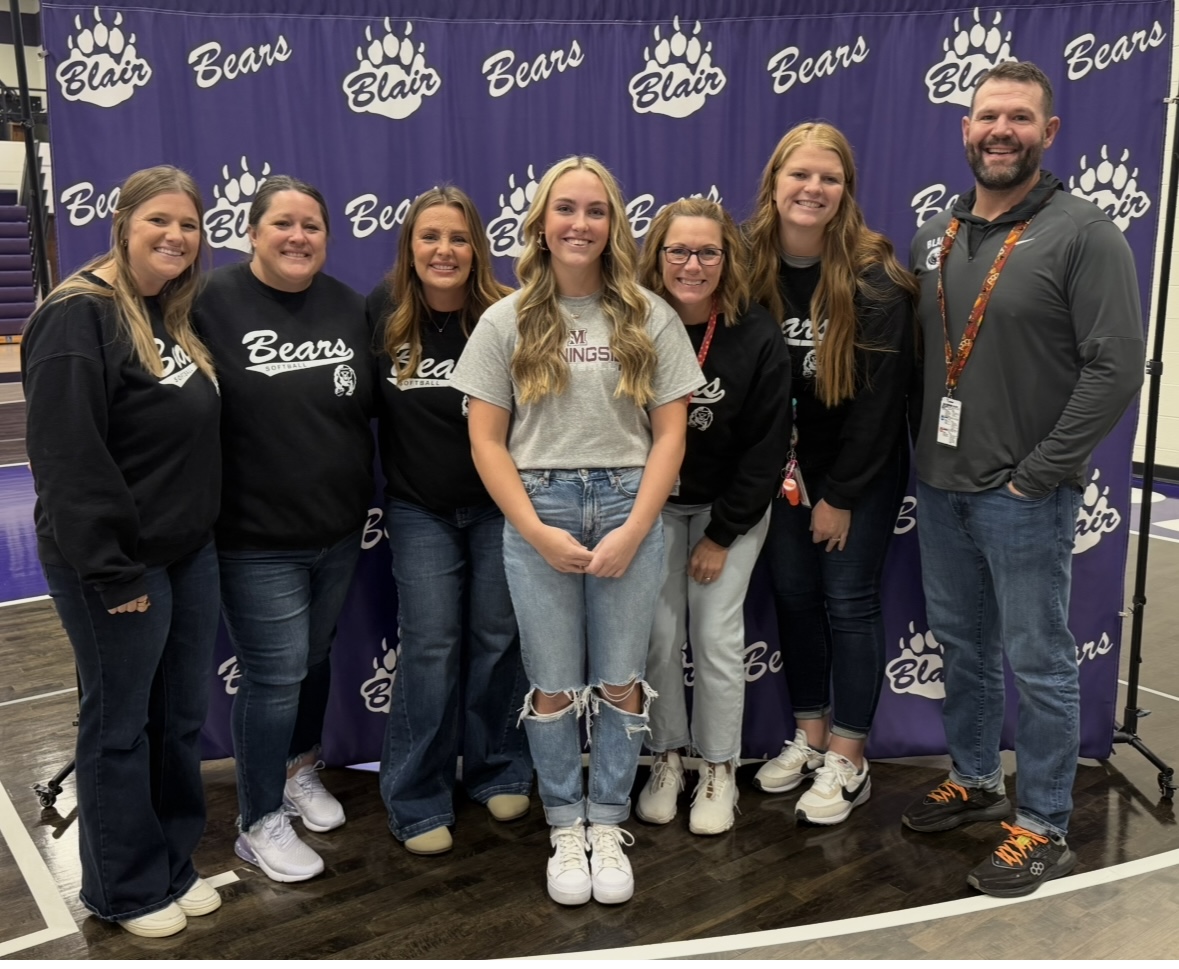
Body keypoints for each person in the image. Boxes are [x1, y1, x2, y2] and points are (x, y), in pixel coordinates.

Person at [904, 61, 1144, 897]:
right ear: (964, 129)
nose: (998, 130)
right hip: (937, 485)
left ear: (1047, 132)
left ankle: (1042, 823)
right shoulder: (935, 233)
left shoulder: (1084, 233)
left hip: (1023, 496)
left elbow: (1114, 369)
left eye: (1017, 117)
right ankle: (974, 778)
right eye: (984, 116)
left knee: (1037, 658)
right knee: (962, 645)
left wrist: (1040, 474)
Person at [452, 156, 702, 906]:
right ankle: (565, 822)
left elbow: (669, 434)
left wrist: (636, 526)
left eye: (595, 211)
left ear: (612, 224)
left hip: (629, 500)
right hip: (542, 509)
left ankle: (607, 819)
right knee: (554, 683)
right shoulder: (505, 318)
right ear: (540, 222)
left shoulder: (648, 314)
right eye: (566, 209)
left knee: (622, 680)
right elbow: (486, 442)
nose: (580, 224)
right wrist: (533, 530)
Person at [23, 165, 222, 937]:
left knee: (178, 721)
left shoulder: (165, 310)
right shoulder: (78, 317)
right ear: (123, 223)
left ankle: (172, 862)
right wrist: (112, 569)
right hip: (116, 564)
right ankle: (123, 887)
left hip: (186, 551)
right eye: (159, 222)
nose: (176, 236)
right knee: (119, 726)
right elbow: (69, 461)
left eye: (189, 225)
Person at [195, 175, 374, 883]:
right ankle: (256, 818)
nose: (298, 237)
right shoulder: (210, 301)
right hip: (253, 535)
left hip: (336, 531)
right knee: (272, 675)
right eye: (283, 224)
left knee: (316, 658)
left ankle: (301, 769)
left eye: (312, 226)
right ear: (252, 231)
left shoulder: (349, 307)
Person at [746, 122, 917, 825]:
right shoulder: (747, 264)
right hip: (779, 471)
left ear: (845, 189)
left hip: (858, 471)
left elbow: (880, 406)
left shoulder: (873, 276)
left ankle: (849, 755)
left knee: (846, 601)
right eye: (800, 175)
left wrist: (840, 497)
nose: (812, 188)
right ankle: (810, 734)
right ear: (774, 183)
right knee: (791, 595)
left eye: (829, 177)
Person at [367, 186, 532, 856]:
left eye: (458, 238)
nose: (444, 250)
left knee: (495, 638)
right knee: (431, 646)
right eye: (430, 236)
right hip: (418, 511)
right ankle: (415, 794)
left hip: (499, 508)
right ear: (409, 246)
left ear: (477, 248)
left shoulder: (503, 313)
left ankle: (497, 766)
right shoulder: (380, 314)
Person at [634, 198, 791, 835]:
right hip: (653, 510)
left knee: (717, 635)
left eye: (707, 252)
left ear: (727, 260)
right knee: (658, 637)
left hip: (731, 510)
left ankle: (720, 768)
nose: (692, 265)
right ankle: (668, 758)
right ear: (657, 257)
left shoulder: (754, 333)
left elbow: (767, 447)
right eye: (678, 251)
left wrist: (723, 534)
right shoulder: (633, 323)